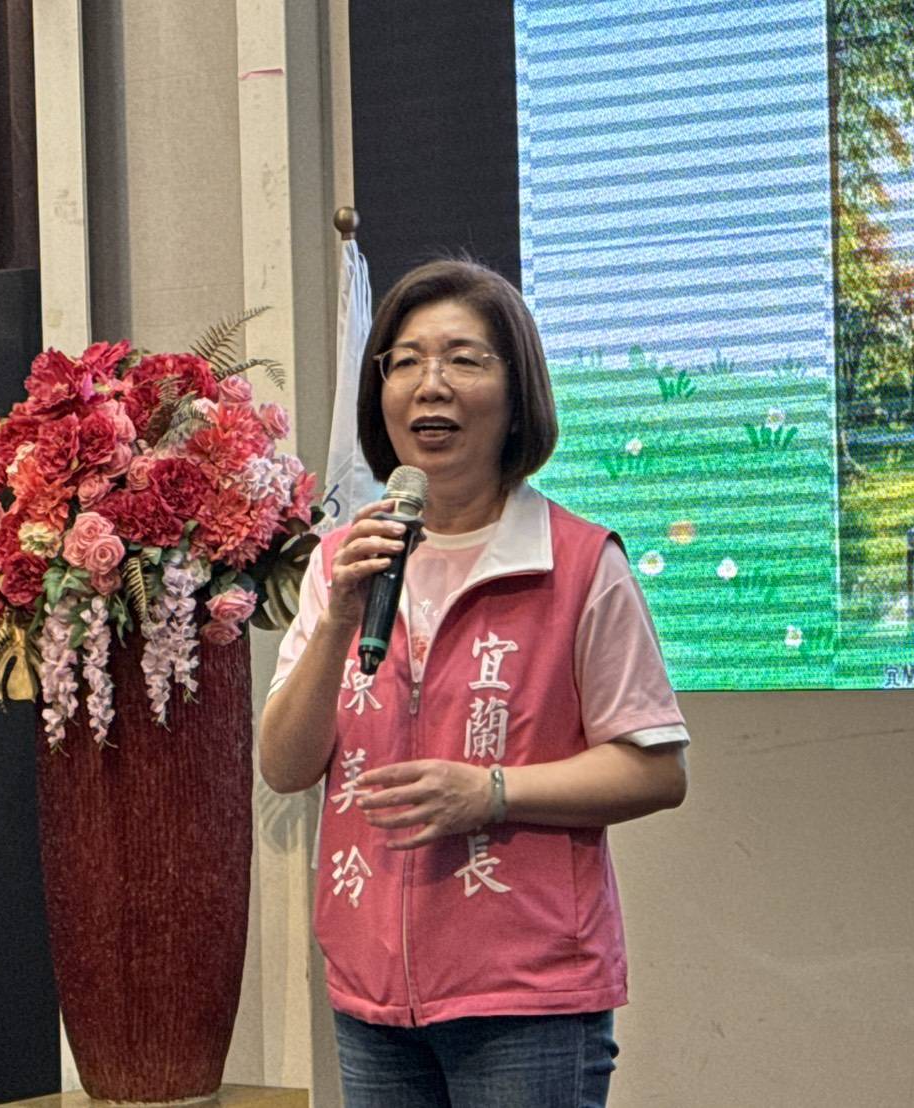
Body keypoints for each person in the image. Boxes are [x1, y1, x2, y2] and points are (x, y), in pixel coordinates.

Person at [260, 258, 689, 1108]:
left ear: (516, 395)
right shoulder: (343, 563)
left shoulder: (577, 563)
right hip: (372, 991)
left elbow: (655, 769)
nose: (431, 385)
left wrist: (490, 792)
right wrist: (340, 616)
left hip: (526, 993)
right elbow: (284, 764)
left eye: (463, 359)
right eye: (405, 361)